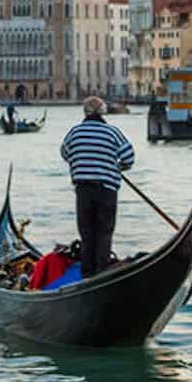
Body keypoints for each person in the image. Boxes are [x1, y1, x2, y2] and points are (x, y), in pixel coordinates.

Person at [60, 96, 135, 278]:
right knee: (104, 232)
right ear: (103, 112)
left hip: (83, 189)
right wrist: (117, 166)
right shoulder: (112, 132)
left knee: (87, 233)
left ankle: (87, 275)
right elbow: (129, 157)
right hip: (106, 189)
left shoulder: (74, 133)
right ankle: (101, 274)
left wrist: (82, 162)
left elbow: (65, 153)